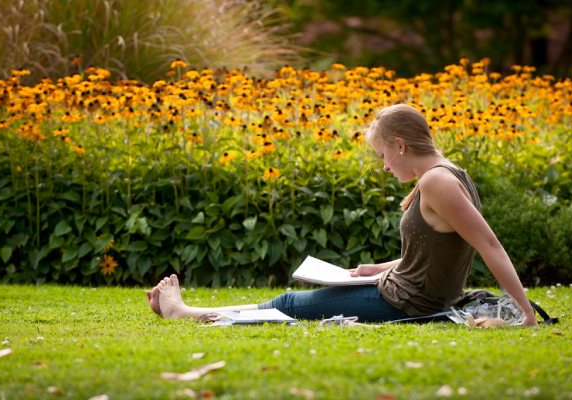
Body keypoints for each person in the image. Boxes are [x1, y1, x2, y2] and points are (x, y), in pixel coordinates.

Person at [146, 103, 539, 327]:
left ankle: (184, 312)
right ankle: (185, 309)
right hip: (399, 288)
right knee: (292, 300)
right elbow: (439, 251)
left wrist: (525, 313)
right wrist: (378, 268)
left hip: (406, 303)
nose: (384, 167)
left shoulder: (438, 181)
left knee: (290, 305)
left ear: (400, 146)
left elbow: (488, 244)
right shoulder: (449, 173)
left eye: (383, 155)